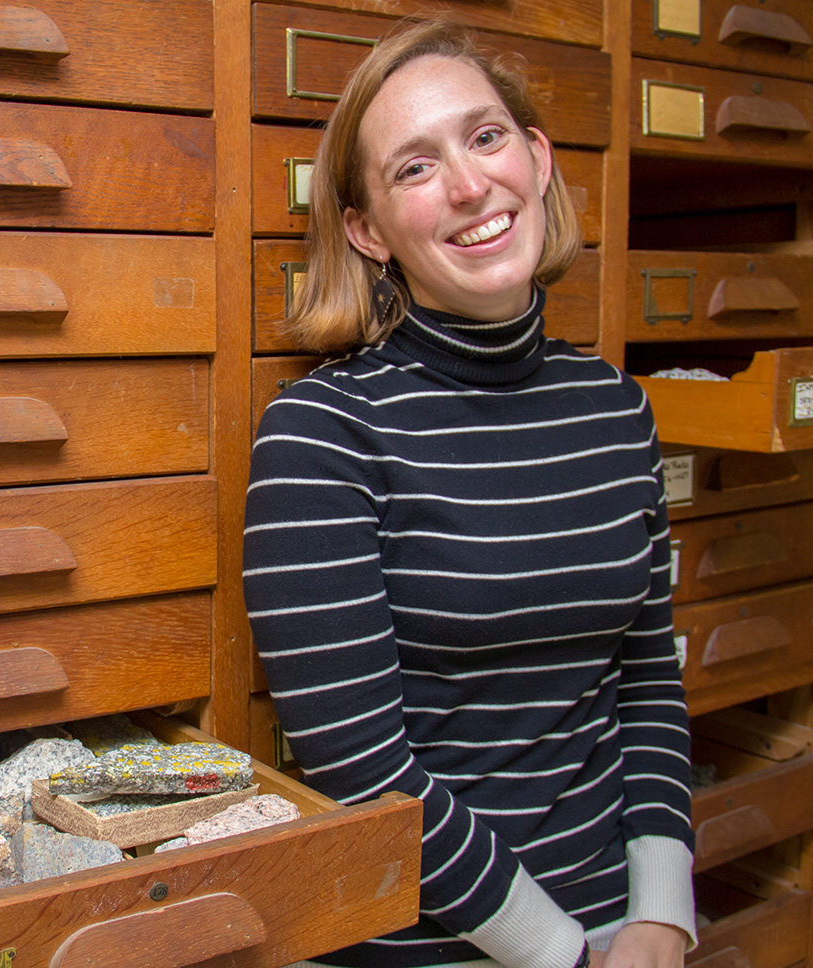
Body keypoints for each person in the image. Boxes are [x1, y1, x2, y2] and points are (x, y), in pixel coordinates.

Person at [242, 16, 696, 968]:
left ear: (535, 158)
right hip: (436, 945)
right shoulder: (323, 433)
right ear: (367, 231)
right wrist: (561, 955)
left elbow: (648, 680)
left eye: (486, 137)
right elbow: (364, 767)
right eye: (413, 167)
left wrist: (662, 913)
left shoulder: (615, 407)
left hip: (629, 934)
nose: (466, 184)